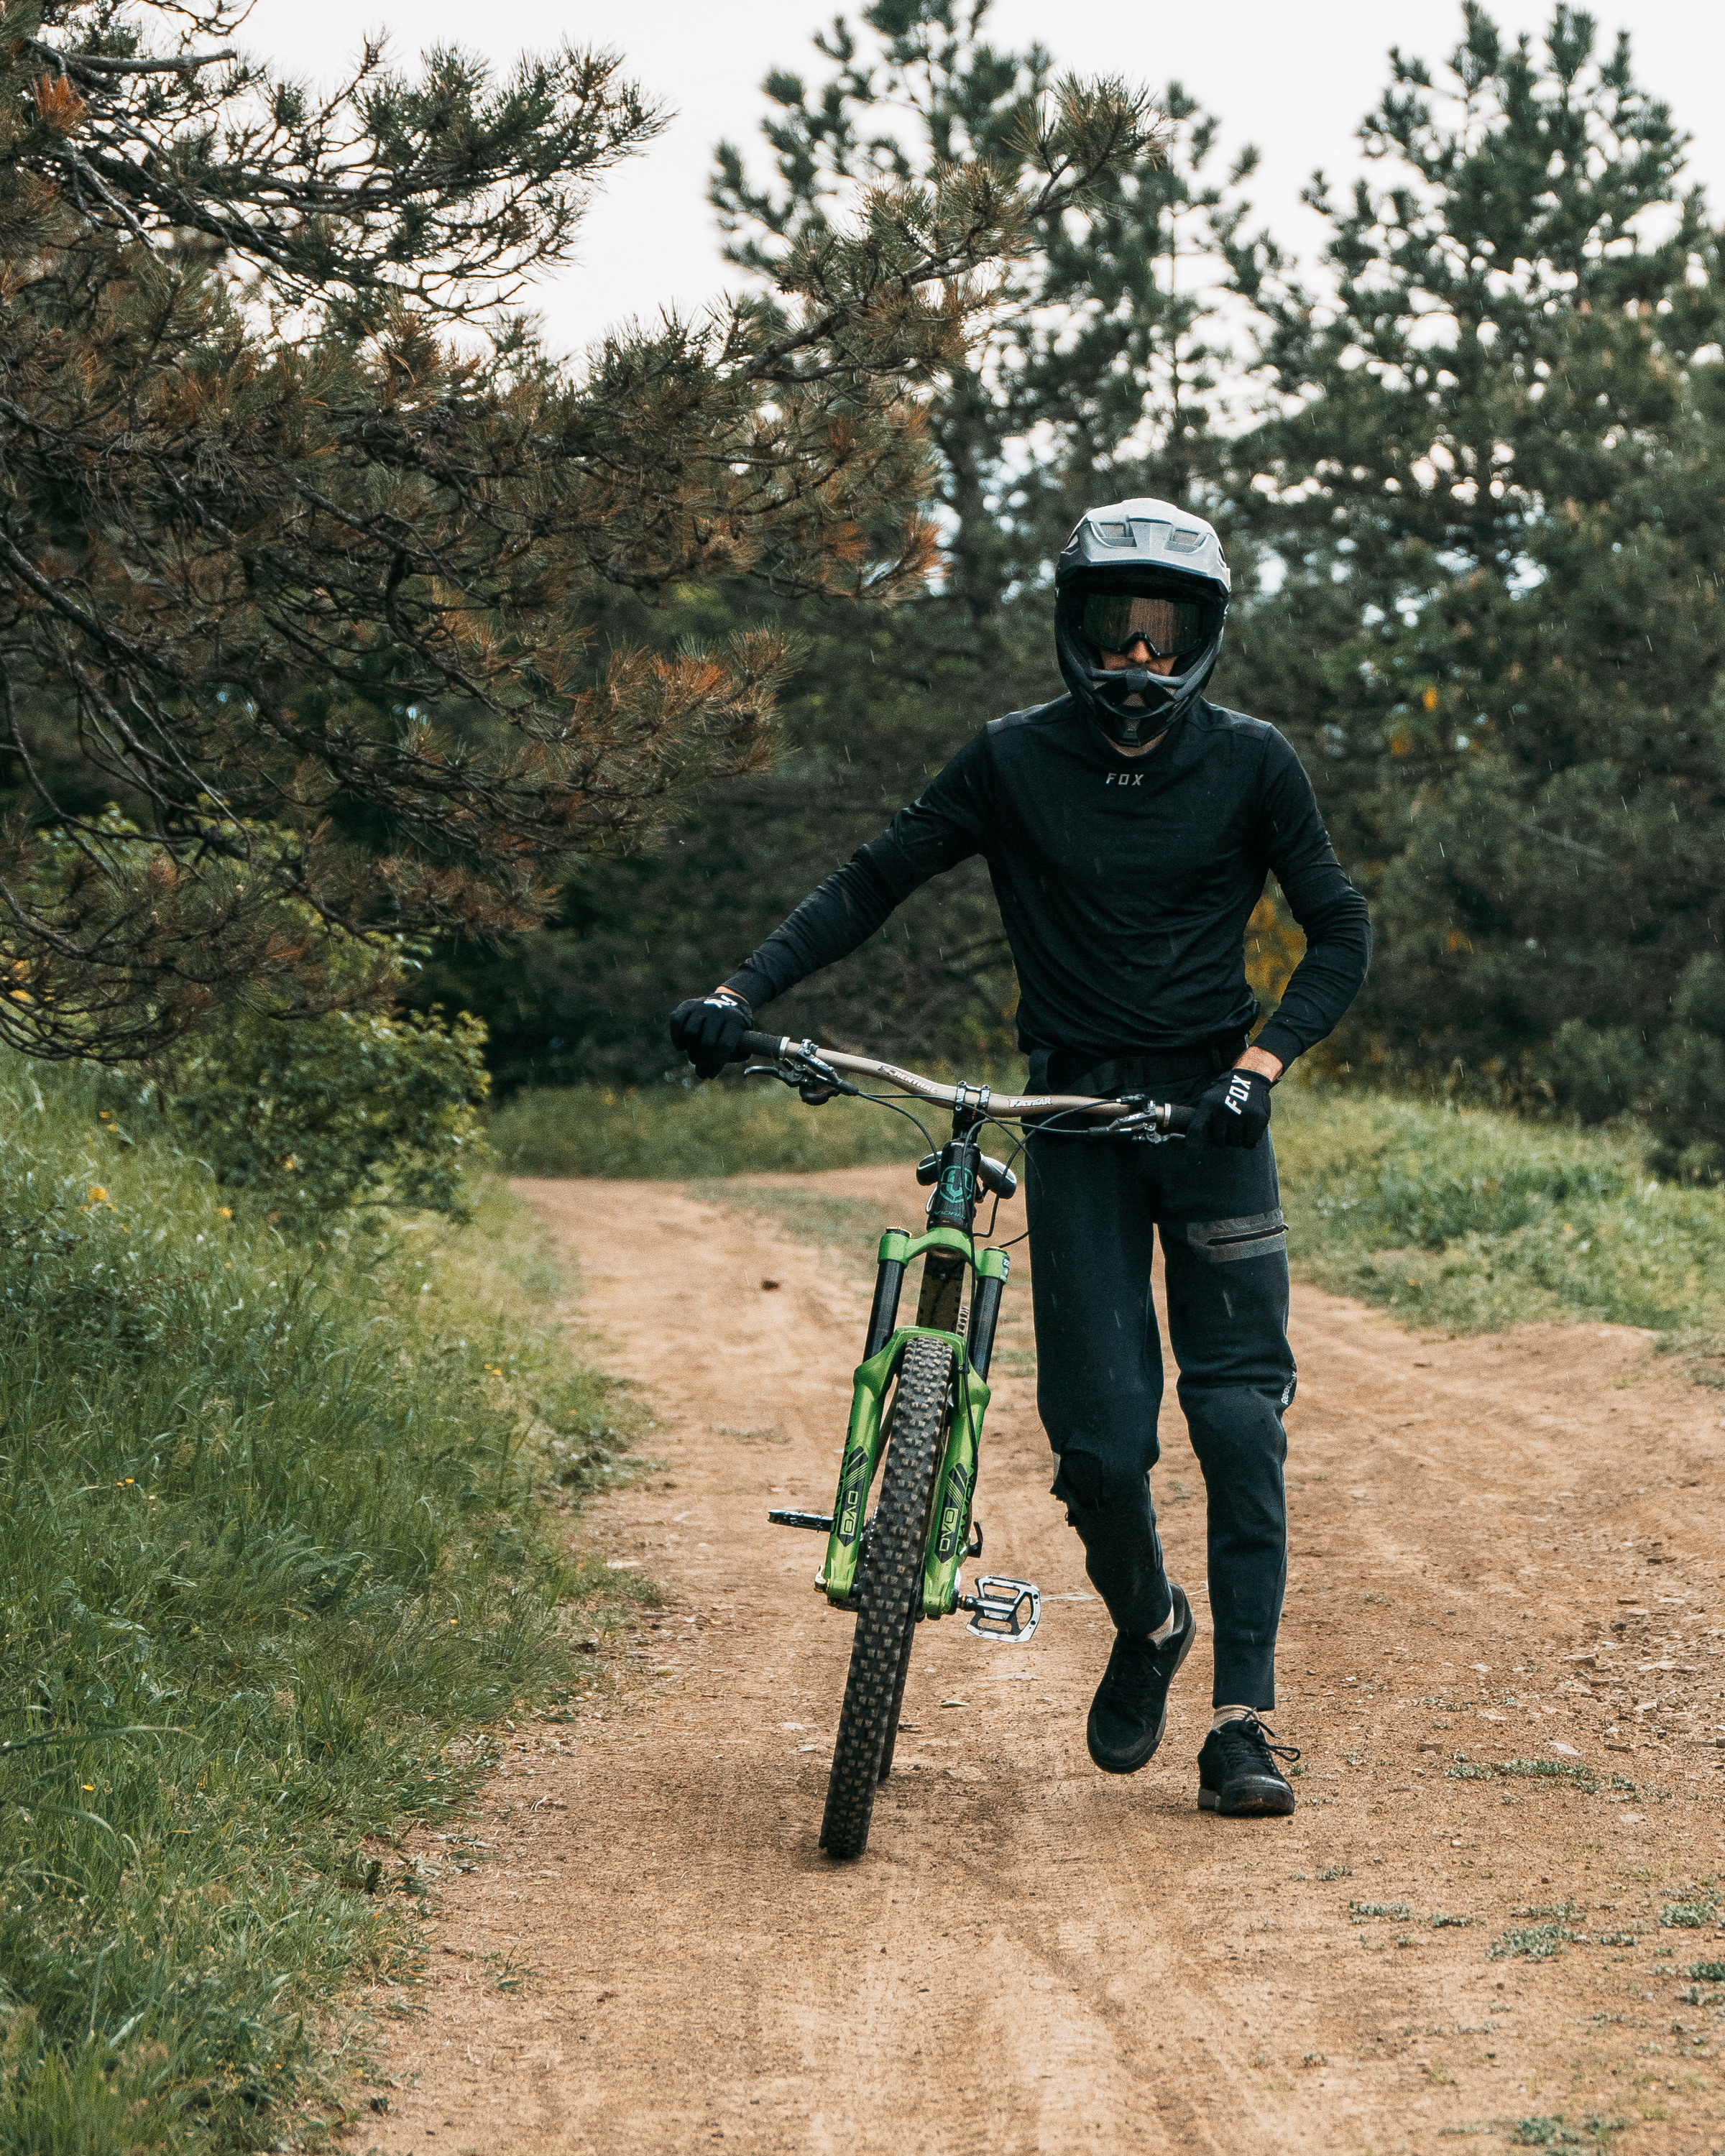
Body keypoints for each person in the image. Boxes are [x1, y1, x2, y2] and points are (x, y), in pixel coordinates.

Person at [668, 498, 1370, 1818]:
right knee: (1099, 1446)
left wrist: (1254, 1073)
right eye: (1117, 627)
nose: (1138, 662)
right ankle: (1151, 1625)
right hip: (1075, 1124)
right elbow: (871, 881)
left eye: (1165, 634)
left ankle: (1243, 1722)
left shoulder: (1255, 765)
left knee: (1234, 1423)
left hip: (1213, 1122)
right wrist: (737, 992)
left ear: (1204, 638)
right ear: (1075, 627)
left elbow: (1339, 928)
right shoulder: (1010, 762)